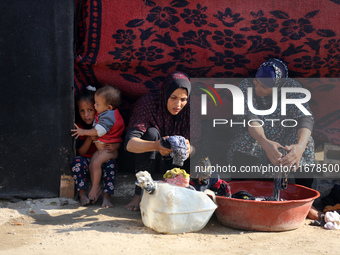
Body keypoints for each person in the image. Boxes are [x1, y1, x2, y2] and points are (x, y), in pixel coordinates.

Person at [228, 58, 315, 185]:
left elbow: (305, 118)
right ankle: (239, 189)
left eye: (263, 87)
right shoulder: (246, 86)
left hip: (283, 139)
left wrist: (300, 148)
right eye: (256, 82)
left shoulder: (292, 88)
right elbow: (251, 120)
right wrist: (265, 143)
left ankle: (305, 193)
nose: (257, 88)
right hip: (257, 137)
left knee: (306, 142)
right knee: (247, 141)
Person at [124, 71, 196, 211]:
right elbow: (129, 143)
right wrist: (156, 145)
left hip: (172, 163)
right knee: (151, 133)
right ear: (165, 93)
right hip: (145, 159)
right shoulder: (148, 104)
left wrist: (189, 149)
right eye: (173, 97)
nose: (178, 104)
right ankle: (140, 193)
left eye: (183, 99)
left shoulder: (190, 110)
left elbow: (200, 147)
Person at [72, 86, 125, 206]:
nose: (86, 115)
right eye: (82, 111)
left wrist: (116, 145)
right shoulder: (79, 127)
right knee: (77, 162)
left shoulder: (105, 120)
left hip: (105, 155)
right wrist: (90, 137)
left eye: (90, 109)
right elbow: (81, 151)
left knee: (110, 164)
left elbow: (118, 138)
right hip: (89, 158)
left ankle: (107, 197)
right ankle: (82, 194)